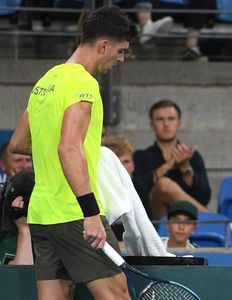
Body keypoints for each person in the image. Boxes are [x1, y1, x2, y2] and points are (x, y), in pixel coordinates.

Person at [8, 5, 137, 299]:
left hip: (41, 214)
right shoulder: (84, 84)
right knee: (118, 295)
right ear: (103, 45)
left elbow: (17, 143)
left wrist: (58, 148)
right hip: (73, 213)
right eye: (120, 51)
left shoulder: (47, 81)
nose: (121, 59)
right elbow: (68, 148)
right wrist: (90, 214)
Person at [133, 99, 211, 220]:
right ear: (151, 125)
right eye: (160, 119)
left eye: (171, 119)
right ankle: (216, 221)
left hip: (188, 219)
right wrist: (167, 167)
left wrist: (185, 168)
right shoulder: (141, 156)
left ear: (179, 124)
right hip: (152, 220)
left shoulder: (192, 157)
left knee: (166, 186)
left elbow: (204, 198)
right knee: (163, 185)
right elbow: (136, 193)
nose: (166, 124)